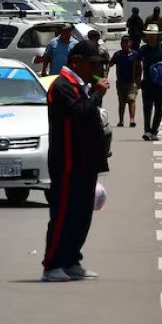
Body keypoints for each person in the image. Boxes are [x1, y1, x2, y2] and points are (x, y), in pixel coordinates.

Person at [42, 41, 110, 282]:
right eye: (92, 64)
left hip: (85, 162)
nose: (95, 70)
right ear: (77, 62)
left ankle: (71, 260)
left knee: (82, 215)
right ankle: (52, 264)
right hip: (68, 163)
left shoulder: (80, 85)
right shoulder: (61, 86)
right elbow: (79, 113)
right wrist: (95, 93)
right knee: (63, 214)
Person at [133, 24, 162, 141]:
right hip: (147, 83)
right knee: (147, 109)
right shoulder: (143, 49)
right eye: (149, 35)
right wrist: (136, 80)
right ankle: (147, 131)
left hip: (161, 84)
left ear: (158, 36)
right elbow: (137, 63)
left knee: (159, 109)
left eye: (153, 35)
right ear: (146, 37)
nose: (151, 37)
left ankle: (154, 131)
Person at [108, 36, 139, 127]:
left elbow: (139, 67)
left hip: (132, 82)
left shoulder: (134, 54)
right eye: (123, 43)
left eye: (127, 42)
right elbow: (110, 64)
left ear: (130, 43)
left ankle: (132, 119)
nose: (125, 44)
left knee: (131, 99)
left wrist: (138, 79)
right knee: (122, 102)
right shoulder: (118, 54)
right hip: (121, 82)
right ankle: (121, 120)